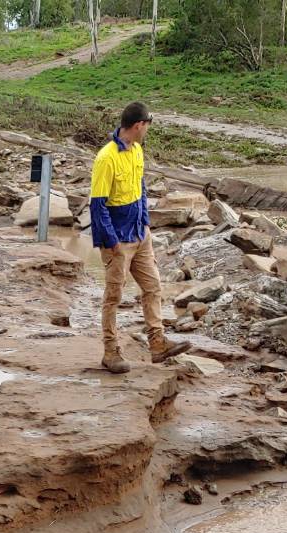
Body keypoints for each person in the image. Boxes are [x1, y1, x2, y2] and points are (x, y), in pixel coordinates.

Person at [90, 102, 191, 374]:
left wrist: (145, 223)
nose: (147, 130)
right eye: (147, 125)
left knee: (153, 286)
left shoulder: (136, 151)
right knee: (114, 296)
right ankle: (110, 352)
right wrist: (111, 242)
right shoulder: (106, 158)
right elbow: (97, 205)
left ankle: (157, 344)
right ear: (139, 125)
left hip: (139, 233)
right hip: (118, 240)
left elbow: (140, 188)